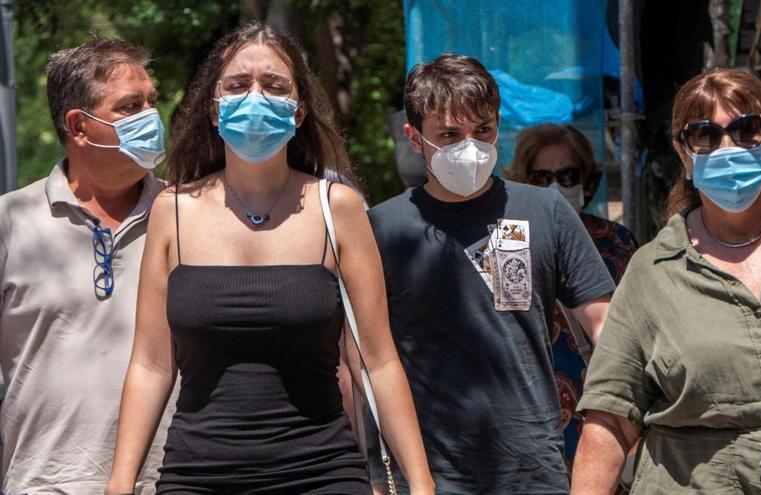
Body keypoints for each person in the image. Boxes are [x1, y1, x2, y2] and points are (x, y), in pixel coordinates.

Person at [104, 22, 433, 495]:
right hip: (196, 478)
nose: (254, 96)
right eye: (237, 85)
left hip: (323, 475)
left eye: (274, 85)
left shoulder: (336, 207)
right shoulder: (171, 211)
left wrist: (420, 483)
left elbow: (376, 361)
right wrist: (120, 482)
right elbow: (152, 365)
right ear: (214, 110)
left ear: (298, 112)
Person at [572, 68, 761, 494]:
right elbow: (610, 417)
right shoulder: (654, 271)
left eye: (745, 130)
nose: (727, 147)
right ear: (683, 152)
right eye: (705, 136)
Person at [368, 54, 615, 494]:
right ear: (414, 138)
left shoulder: (544, 210)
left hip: (533, 472)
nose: (470, 146)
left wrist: (614, 426)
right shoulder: (380, 230)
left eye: (483, 130)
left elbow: (607, 327)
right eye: (449, 134)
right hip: (425, 477)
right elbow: (361, 360)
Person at [0, 38, 170, 494]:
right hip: (46, 484)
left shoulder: (185, 216)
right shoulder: (9, 221)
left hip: (172, 481)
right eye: (130, 106)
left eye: (152, 102)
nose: (152, 119)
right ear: (79, 125)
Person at [508, 123, 638, 468]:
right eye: (541, 177)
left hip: (601, 407)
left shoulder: (618, 242)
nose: (554, 188)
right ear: (523, 181)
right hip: (529, 413)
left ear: (586, 180)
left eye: (567, 176)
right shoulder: (508, 244)